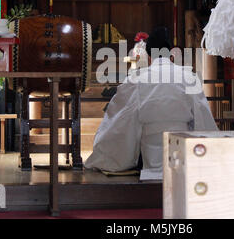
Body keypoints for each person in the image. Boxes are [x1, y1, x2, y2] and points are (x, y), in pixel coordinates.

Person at [85, 27, 218, 179]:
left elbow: (119, 119)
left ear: (148, 56)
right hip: (183, 147)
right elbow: (202, 118)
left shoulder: (137, 79)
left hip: (148, 147)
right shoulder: (189, 77)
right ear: (171, 55)